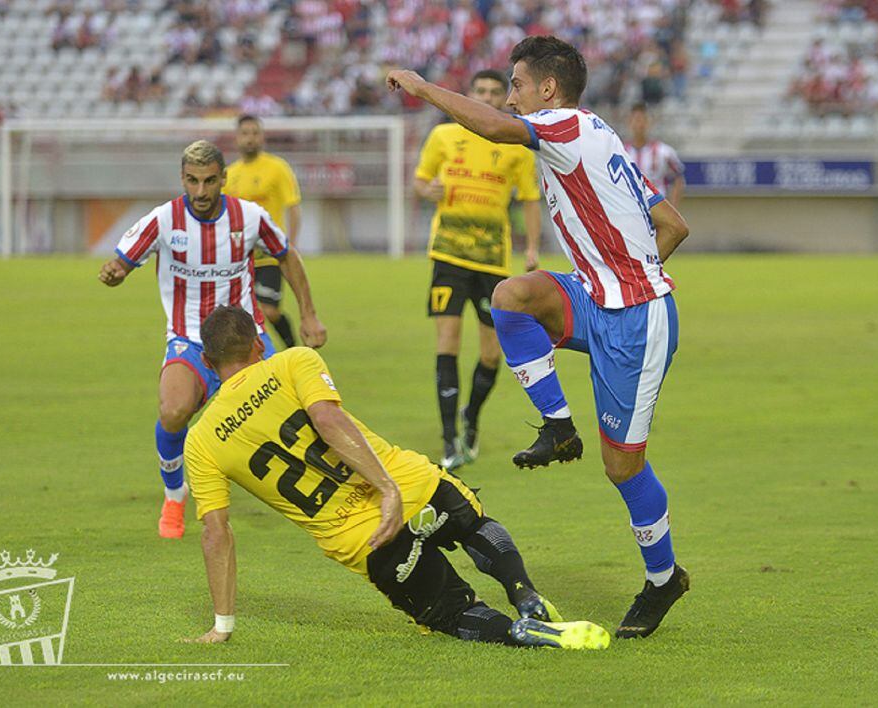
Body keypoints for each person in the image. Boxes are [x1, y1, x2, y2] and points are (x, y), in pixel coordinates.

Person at [386, 35, 692, 639]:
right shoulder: (598, 135)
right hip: (596, 296)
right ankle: (557, 425)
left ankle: (664, 580)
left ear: (547, 89)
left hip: (637, 320)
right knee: (512, 296)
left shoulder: (562, 126)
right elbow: (673, 224)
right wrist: (627, 269)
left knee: (623, 469)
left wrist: (423, 88)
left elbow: (497, 129)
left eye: (518, 85)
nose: (512, 97)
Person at [181, 305, 609, 650]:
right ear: (259, 343)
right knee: (474, 526)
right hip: (407, 483)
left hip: (362, 539)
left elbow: (215, 534)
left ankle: (526, 634)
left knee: (453, 613)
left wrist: (222, 624)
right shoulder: (293, 360)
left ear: (206, 361)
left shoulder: (201, 441)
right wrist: (387, 488)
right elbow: (326, 419)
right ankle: (524, 594)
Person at [98, 140, 327, 539]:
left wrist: (308, 313)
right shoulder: (163, 219)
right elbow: (122, 259)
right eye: (192, 181)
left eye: (208, 181)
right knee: (173, 410)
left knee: (296, 415)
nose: (200, 192)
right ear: (182, 179)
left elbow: (287, 255)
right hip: (189, 339)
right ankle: (174, 495)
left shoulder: (250, 217)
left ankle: (323, 492)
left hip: (245, 338)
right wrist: (115, 271)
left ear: (224, 178)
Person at [414, 69, 543, 470]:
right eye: (480, 90)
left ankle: (471, 418)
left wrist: (534, 248)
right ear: (468, 95)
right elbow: (420, 180)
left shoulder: (515, 145)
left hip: (492, 261)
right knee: (447, 343)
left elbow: (529, 199)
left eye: (493, 92)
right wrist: (426, 189)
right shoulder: (443, 137)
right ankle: (450, 438)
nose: (486, 98)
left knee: (492, 353)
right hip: (449, 256)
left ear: (502, 97)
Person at [224, 115, 302, 349]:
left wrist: (290, 247)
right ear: (237, 138)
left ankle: (293, 349)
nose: (250, 139)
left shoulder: (277, 168)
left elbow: (293, 207)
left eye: (255, 133)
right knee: (236, 314)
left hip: (269, 255)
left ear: (262, 137)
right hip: (239, 257)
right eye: (245, 133)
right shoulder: (229, 174)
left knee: (269, 310)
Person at [625, 103, 685, 207]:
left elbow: (678, 178)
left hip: (656, 210)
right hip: (630, 209)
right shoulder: (622, 151)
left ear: (649, 123)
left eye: (643, 120)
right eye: (636, 120)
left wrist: (672, 208)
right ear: (629, 122)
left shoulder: (664, 151)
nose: (639, 124)